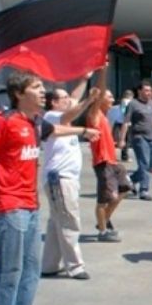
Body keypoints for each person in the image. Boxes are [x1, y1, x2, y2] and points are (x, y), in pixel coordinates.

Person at [0, 71, 99, 305]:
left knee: (29, 269)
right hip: (8, 203)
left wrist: (84, 132)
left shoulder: (34, 122)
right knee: (7, 271)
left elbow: (57, 130)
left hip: (31, 203)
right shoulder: (4, 122)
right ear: (19, 94)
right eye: (36, 88)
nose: (43, 92)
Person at [40, 75, 96, 280]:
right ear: (54, 102)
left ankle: (49, 265)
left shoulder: (61, 115)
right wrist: (88, 101)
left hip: (64, 178)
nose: (68, 100)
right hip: (60, 178)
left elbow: (73, 98)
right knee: (69, 221)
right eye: (63, 98)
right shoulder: (52, 117)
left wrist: (84, 78)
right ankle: (75, 266)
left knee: (57, 221)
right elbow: (72, 110)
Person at [86, 69, 132, 243]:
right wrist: (104, 71)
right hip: (103, 162)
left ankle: (103, 221)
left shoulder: (104, 117)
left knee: (125, 189)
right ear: (100, 99)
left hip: (113, 161)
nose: (113, 100)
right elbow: (100, 91)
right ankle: (103, 232)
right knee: (104, 199)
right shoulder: (94, 115)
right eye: (110, 97)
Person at [118, 81, 152, 201]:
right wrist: (121, 140)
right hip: (139, 137)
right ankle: (144, 190)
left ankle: (129, 180)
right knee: (144, 164)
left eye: (150, 91)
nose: (148, 93)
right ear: (139, 91)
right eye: (146, 91)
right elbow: (126, 122)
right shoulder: (133, 104)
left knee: (150, 166)